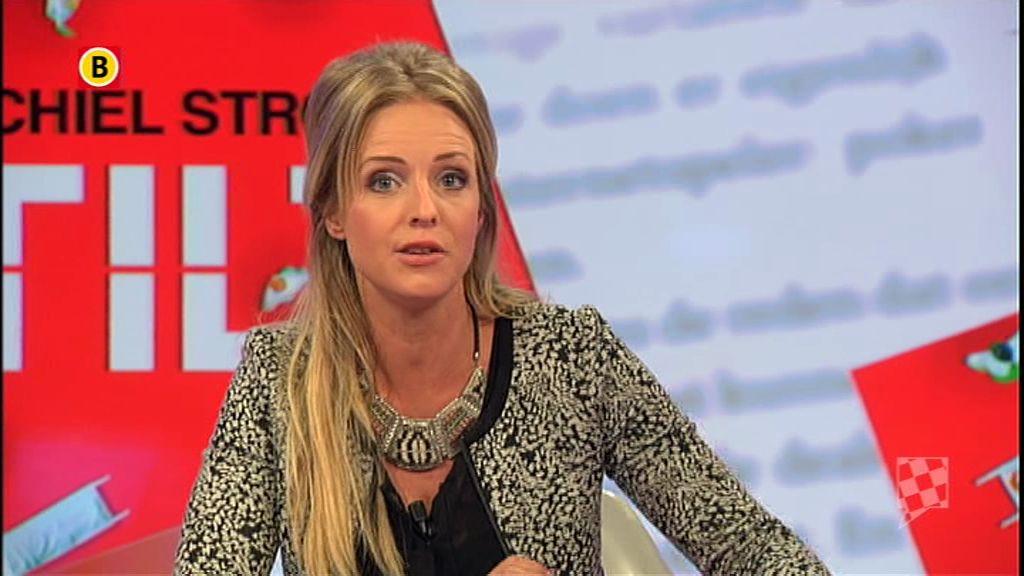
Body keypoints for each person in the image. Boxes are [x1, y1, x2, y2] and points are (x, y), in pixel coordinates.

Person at [173, 42, 830, 576]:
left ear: (481, 209)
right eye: (385, 180)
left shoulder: (570, 358)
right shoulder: (281, 379)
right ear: (333, 212)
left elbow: (754, 548)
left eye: (451, 178)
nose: (424, 209)